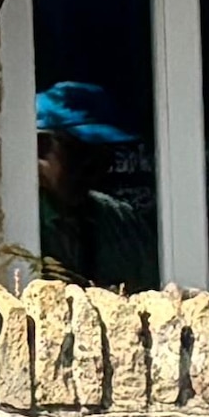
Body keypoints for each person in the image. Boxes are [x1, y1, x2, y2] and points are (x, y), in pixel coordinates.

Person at [28, 78, 159, 288]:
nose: (96, 167)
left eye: (106, 155)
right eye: (81, 151)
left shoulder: (122, 222)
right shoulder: (17, 222)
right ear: (40, 147)